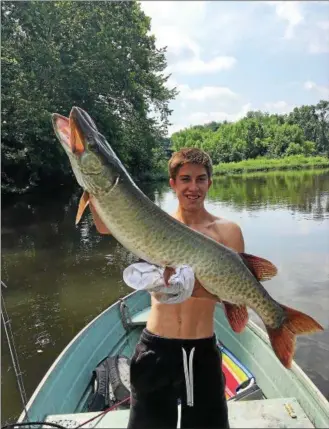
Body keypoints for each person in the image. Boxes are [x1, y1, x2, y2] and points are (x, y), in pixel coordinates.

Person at [127, 148, 245, 429]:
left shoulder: (228, 232)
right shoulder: (154, 225)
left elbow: (236, 294)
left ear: (210, 183)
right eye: (185, 179)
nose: (193, 187)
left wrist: (192, 290)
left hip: (200, 351)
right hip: (156, 348)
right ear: (172, 184)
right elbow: (107, 225)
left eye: (201, 179)